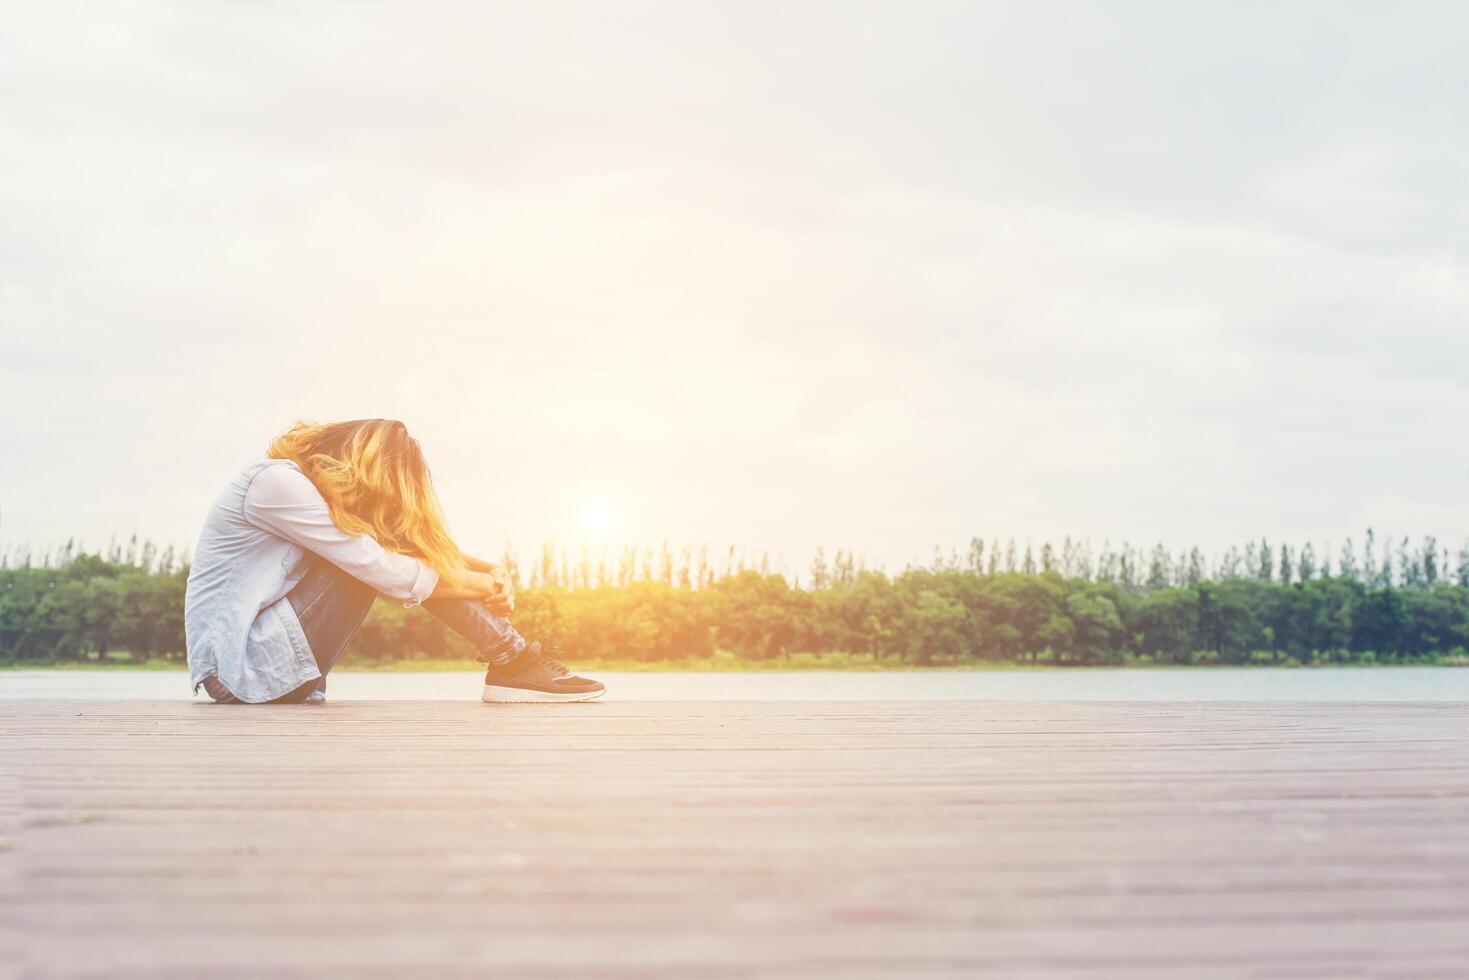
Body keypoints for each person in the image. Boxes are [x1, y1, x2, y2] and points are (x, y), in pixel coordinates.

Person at [184, 419, 604, 704]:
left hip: (268, 670)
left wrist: (489, 570)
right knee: (377, 558)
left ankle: (513, 661)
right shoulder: (276, 482)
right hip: (237, 671)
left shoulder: (302, 491)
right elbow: (380, 567)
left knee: (383, 548)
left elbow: (399, 547)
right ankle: (513, 660)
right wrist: (479, 586)